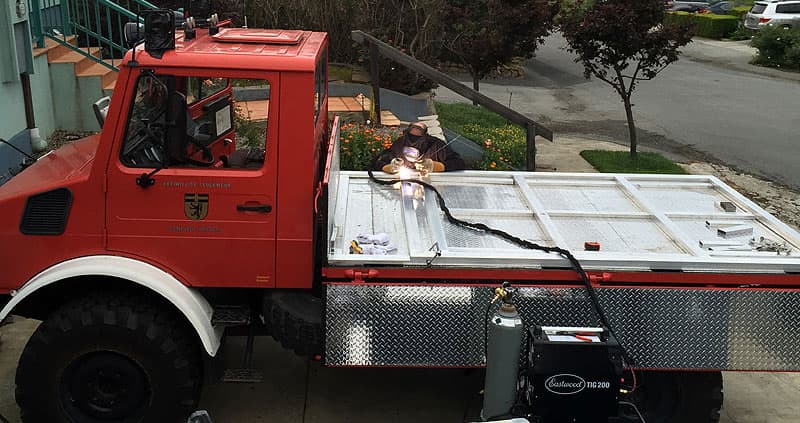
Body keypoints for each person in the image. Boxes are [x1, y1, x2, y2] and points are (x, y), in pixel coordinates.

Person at [375, 122, 465, 174]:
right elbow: (377, 162)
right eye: (411, 136)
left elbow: (459, 163)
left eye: (417, 137)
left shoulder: (436, 145)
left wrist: (435, 166)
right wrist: (389, 167)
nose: (413, 141)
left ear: (425, 136)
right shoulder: (399, 143)